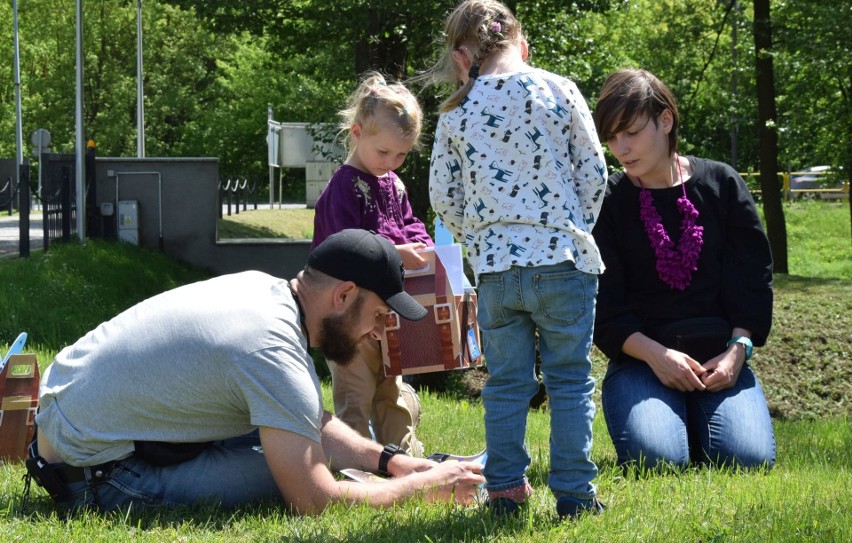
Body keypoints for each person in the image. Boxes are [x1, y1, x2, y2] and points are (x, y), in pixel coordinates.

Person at [27, 229, 484, 514]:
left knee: (303, 446)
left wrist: (391, 462)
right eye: (381, 315)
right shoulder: (270, 348)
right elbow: (314, 501)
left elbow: (298, 415)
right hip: (96, 473)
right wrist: (425, 487)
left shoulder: (260, 291)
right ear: (343, 296)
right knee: (300, 474)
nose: (380, 332)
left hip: (68, 430)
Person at [425, 0, 608, 519]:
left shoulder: (456, 112)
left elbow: (444, 195)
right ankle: (574, 495)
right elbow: (593, 173)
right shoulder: (559, 89)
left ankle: (505, 490)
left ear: (462, 57)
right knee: (570, 380)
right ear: (522, 45)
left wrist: (478, 240)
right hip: (562, 260)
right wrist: (573, 230)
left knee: (506, 383)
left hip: (497, 272)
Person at [591, 68, 776, 470]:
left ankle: (698, 417)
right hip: (642, 362)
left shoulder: (721, 184)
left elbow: (752, 278)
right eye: (611, 137)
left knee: (747, 460)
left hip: (719, 361)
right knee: (655, 460)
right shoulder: (607, 200)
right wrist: (657, 356)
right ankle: (668, 421)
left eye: (632, 132)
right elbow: (604, 307)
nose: (621, 148)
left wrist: (737, 352)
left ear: (665, 120)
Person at [311, 72, 433, 457]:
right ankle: (353, 465)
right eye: (384, 153)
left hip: (386, 313)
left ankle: (405, 460)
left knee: (392, 391)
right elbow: (351, 247)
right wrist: (398, 253)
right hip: (348, 319)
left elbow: (410, 223)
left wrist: (424, 246)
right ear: (357, 132)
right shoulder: (343, 188)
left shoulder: (392, 183)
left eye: (401, 155)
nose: (392, 162)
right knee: (354, 394)